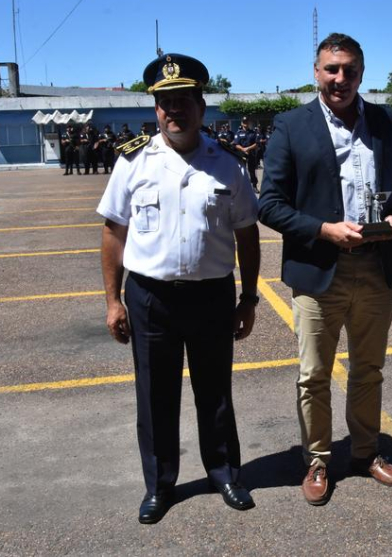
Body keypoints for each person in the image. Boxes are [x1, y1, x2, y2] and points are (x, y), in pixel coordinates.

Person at [97, 53, 261, 523]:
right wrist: (113, 301)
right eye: (165, 102)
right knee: (155, 395)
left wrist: (248, 298)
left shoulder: (227, 164)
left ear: (201, 106)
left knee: (216, 392)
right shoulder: (132, 163)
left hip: (211, 296)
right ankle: (160, 484)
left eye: (183, 101)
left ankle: (225, 472)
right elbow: (114, 233)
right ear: (155, 110)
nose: (175, 111)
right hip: (151, 298)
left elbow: (247, 234)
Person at [258, 32, 392, 506]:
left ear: (361, 73)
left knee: (369, 370)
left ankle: (366, 453)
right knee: (314, 375)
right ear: (316, 72)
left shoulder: (386, 122)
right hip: (318, 270)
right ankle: (319, 460)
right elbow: (270, 204)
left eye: (349, 70)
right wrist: (324, 230)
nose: (340, 79)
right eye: (331, 69)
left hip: (374, 269)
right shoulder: (291, 126)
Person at [232, 119, 259, 191]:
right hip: (241, 154)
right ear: (241, 123)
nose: (245, 123)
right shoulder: (238, 133)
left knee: (252, 170)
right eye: (244, 122)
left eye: (246, 122)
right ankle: (241, 187)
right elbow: (236, 144)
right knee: (241, 170)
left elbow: (257, 144)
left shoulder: (253, 133)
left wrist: (248, 148)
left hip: (251, 154)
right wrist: (243, 149)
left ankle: (254, 186)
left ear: (249, 123)